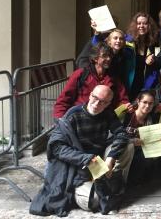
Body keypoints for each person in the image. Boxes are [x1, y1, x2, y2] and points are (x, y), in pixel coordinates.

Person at [30, 85, 133, 216]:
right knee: (94, 202)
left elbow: (121, 134)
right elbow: (57, 147)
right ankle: (81, 189)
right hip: (78, 165)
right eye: (95, 98)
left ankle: (113, 184)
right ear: (90, 95)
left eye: (102, 102)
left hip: (98, 160)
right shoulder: (73, 114)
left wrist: (111, 158)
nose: (96, 104)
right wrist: (86, 159)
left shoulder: (108, 113)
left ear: (108, 104)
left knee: (128, 145)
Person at [53, 42, 131, 119]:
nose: (108, 59)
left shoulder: (114, 78)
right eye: (104, 56)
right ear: (95, 58)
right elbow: (64, 100)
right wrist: (60, 121)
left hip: (104, 121)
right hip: (80, 119)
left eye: (110, 56)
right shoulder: (81, 74)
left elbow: (123, 99)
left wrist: (126, 105)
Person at [123, 90, 161, 182]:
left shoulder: (152, 118)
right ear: (138, 102)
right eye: (145, 102)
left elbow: (154, 138)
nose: (147, 106)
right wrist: (133, 142)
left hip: (144, 149)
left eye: (150, 104)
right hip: (128, 151)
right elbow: (117, 138)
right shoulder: (127, 116)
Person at [125, 12, 161, 99]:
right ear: (135, 25)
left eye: (145, 23)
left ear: (149, 26)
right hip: (129, 84)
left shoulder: (154, 43)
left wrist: (154, 61)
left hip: (146, 85)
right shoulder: (127, 41)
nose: (141, 26)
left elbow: (155, 69)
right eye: (139, 23)